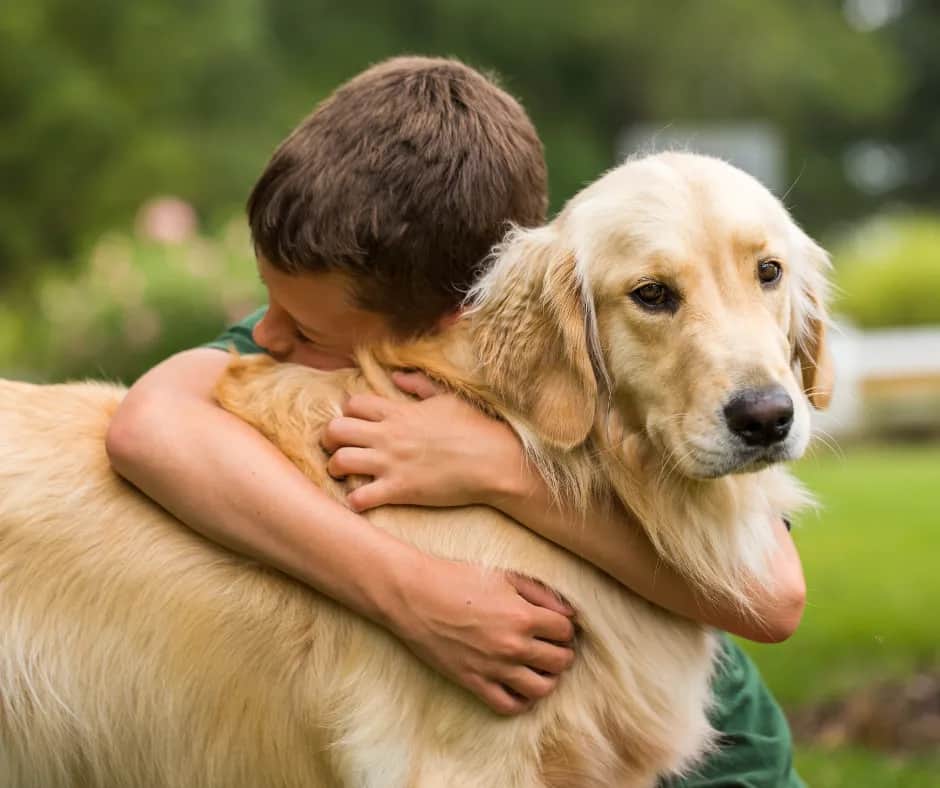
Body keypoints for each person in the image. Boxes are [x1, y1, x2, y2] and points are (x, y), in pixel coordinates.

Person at [106, 55, 805, 786]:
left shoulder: (546, 326)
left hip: (725, 760)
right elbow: (146, 425)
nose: (270, 338)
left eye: (306, 331)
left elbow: (774, 597)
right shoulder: (349, 304)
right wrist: (412, 591)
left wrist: (498, 472)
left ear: (450, 321)